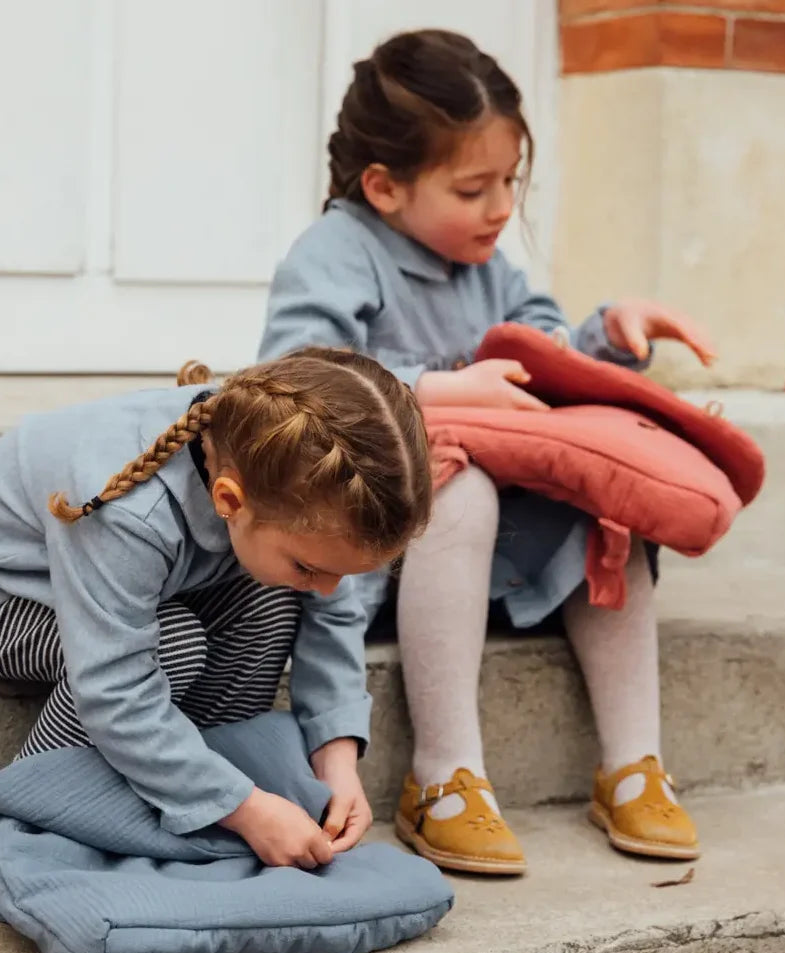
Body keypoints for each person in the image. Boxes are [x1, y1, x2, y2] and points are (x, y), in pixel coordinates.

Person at [259, 29, 715, 873]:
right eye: (475, 188)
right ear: (385, 187)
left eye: (511, 181)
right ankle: (444, 778)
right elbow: (298, 378)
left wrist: (608, 340)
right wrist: (432, 394)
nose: (502, 207)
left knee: (606, 496)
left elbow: (545, 357)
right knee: (455, 481)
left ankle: (633, 763)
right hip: (372, 560)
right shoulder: (337, 254)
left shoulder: (491, 265)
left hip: (495, 564)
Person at [0, 348, 432, 871]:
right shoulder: (131, 513)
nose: (326, 589)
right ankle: (18, 820)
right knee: (173, 643)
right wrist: (247, 810)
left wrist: (336, 763)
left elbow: (331, 614)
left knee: (274, 601)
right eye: (310, 568)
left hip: (139, 585)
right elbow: (115, 689)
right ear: (229, 501)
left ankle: (198, 783)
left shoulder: (272, 481)